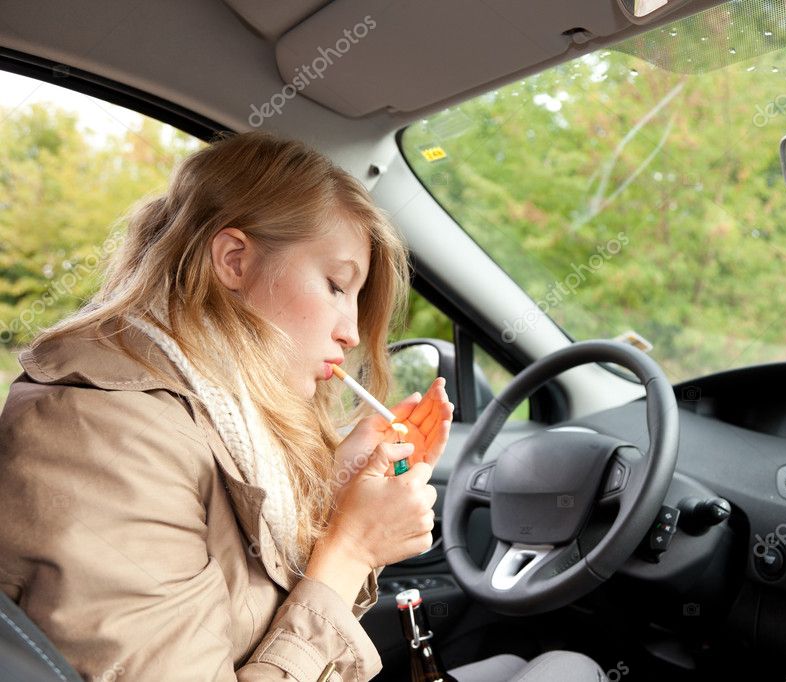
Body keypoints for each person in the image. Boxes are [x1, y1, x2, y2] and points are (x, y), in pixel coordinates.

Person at [0, 132, 606, 681]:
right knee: (568, 668)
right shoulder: (105, 437)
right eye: (337, 286)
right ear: (234, 261)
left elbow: (241, 599)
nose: (349, 330)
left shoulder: (201, 413)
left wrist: (339, 487)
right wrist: (352, 550)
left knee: (527, 664)